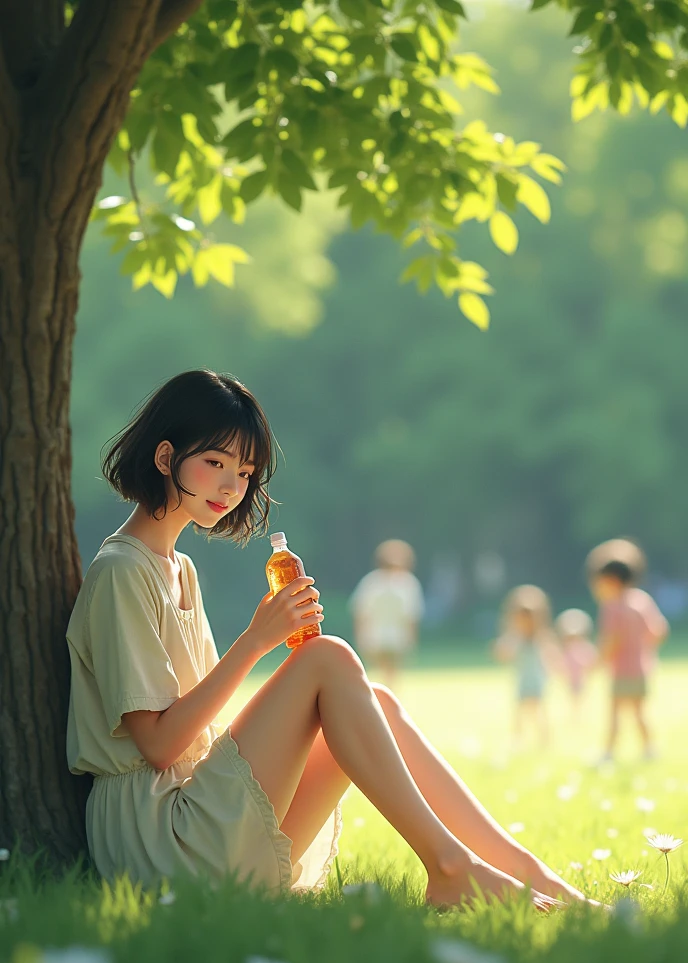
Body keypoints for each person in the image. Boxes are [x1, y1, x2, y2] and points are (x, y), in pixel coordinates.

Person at [66, 369, 592, 910]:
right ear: (164, 458)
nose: (231, 487)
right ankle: (450, 867)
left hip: (196, 804)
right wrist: (255, 641)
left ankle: (528, 873)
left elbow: (192, 729)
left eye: (244, 473)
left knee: (376, 704)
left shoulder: (179, 568)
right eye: (215, 463)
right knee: (328, 658)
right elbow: (157, 745)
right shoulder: (121, 571)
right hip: (157, 837)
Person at [586, 539, 669, 761]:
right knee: (639, 712)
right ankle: (650, 749)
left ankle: (608, 752)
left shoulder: (612, 606)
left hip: (621, 671)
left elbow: (611, 640)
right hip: (641, 668)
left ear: (610, 580)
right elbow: (659, 631)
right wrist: (641, 647)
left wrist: (598, 662)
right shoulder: (642, 601)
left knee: (614, 713)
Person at [349, 539, 424, 691]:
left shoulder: (372, 582)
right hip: (387, 636)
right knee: (390, 672)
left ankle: (382, 696)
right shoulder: (406, 583)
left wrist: (360, 636)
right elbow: (412, 616)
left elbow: (360, 612)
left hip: (381, 636)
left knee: (385, 671)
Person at [493, 585, 558, 750]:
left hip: (537, 679)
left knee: (539, 710)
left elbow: (551, 653)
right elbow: (503, 652)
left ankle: (544, 740)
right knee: (520, 710)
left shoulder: (540, 637)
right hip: (522, 679)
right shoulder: (516, 637)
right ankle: (517, 738)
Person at [555, 608, 598, 721]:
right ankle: (574, 714)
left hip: (581, 678)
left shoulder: (585, 647)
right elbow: (561, 663)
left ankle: (581, 714)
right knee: (572, 696)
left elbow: (591, 660)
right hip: (571, 679)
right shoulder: (566, 649)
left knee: (582, 695)